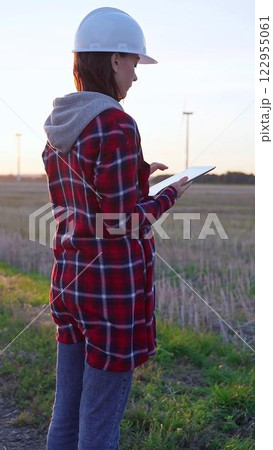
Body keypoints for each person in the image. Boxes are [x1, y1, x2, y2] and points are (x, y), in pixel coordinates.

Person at [42, 7, 191, 450]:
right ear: (113, 60)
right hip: (110, 296)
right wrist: (168, 195)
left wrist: (140, 173)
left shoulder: (59, 127)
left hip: (70, 285)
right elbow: (122, 222)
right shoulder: (117, 124)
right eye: (133, 64)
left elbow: (87, 200)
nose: (135, 76)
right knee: (99, 428)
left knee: (65, 415)